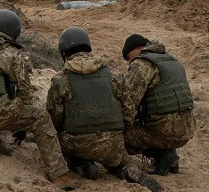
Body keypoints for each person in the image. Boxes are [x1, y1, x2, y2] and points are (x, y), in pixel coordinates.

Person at [0, 9, 81, 190]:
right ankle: (59, 175)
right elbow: (25, 91)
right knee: (40, 118)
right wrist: (21, 124)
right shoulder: (10, 52)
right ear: (13, 33)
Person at [46, 27, 161, 191]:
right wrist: (118, 133)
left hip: (75, 143)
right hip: (111, 144)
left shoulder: (60, 79)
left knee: (59, 146)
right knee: (122, 162)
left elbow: (54, 118)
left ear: (64, 52)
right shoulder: (113, 74)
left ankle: (82, 163)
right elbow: (129, 110)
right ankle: (130, 171)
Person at [122, 34, 195, 175]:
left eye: (128, 57)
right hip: (187, 129)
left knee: (119, 137)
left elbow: (128, 103)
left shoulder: (142, 64)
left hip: (163, 131)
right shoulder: (172, 60)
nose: (128, 61)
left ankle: (163, 155)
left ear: (137, 48)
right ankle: (170, 158)